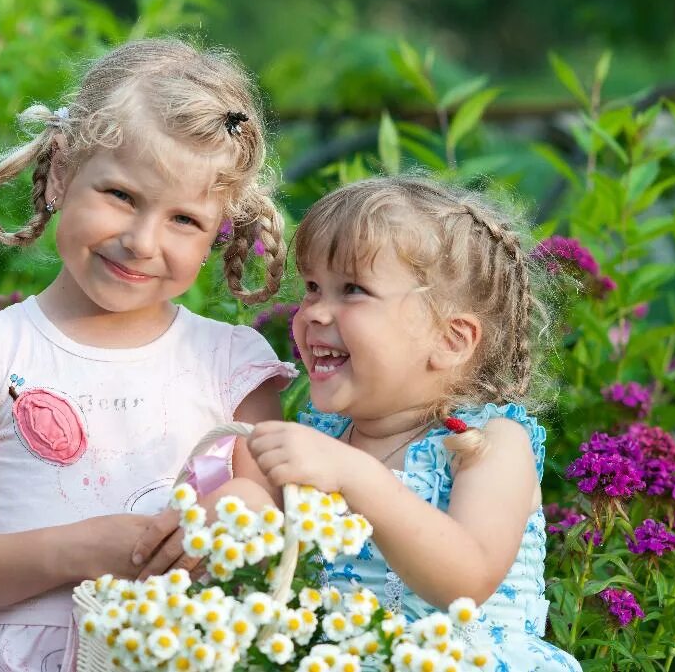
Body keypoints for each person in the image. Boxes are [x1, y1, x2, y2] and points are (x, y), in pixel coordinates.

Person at [0, 38, 296, 671]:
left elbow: (280, 516)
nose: (141, 242)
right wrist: (80, 550)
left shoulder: (232, 363)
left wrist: (238, 505)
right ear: (60, 174)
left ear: (221, 229)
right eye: (122, 196)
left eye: (184, 220)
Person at [246, 177, 581, 670]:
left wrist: (355, 476)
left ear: (450, 339)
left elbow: (467, 579)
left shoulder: (487, 443)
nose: (314, 311)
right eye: (314, 287)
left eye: (353, 290)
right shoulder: (323, 440)